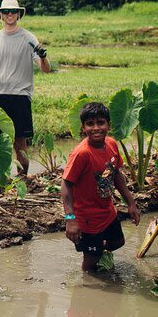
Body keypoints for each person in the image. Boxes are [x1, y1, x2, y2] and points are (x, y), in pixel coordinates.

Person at [61, 102, 140, 272]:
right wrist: (70, 219)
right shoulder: (82, 154)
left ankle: (95, 248)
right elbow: (66, 184)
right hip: (87, 219)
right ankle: (86, 286)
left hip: (107, 212)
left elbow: (116, 174)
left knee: (119, 242)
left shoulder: (111, 144)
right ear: (83, 128)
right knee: (90, 262)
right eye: (90, 124)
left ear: (108, 125)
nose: (96, 128)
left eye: (100, 123)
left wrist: (131, 203)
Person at [0, 0, 51, 176]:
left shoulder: (29, 38)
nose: (10, 14)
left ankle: (23, 178)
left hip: (19, 96)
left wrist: (43, 57)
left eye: (13, 11)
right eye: (6, 12)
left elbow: (46, 70)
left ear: (19, 14)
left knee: (20, 142)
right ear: (1, 15)